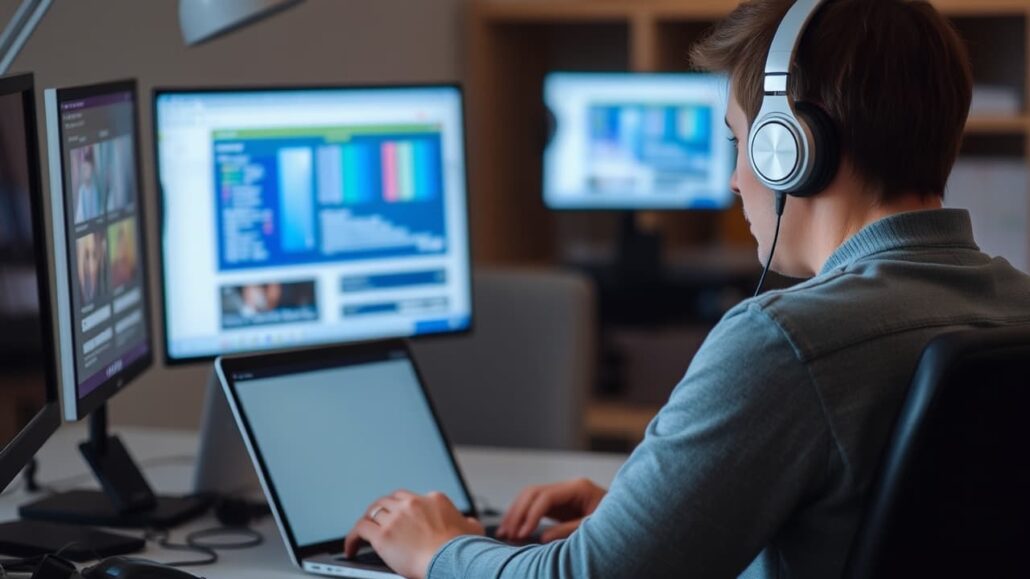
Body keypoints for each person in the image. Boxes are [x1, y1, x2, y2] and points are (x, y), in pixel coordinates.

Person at [343, 0, 1030, 577]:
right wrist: (659, 512)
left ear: (792, 149)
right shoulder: (1017, 306)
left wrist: (437, 548)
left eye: (739, 141)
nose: (735, 180)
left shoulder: (785, 341)